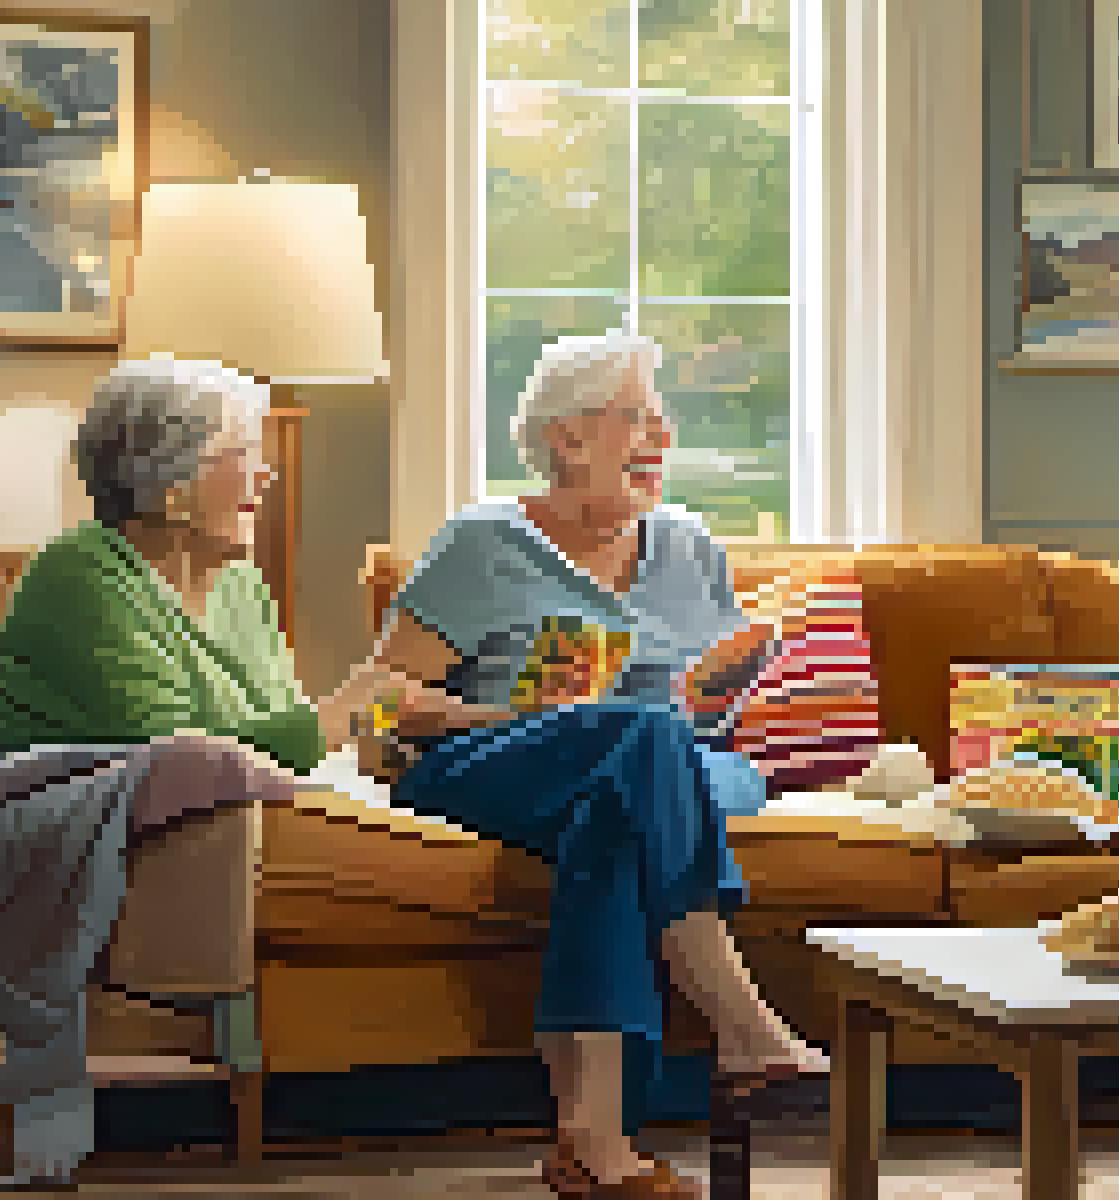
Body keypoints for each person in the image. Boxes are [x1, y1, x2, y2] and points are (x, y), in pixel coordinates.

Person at [327, 330, 823, 1198]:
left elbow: (710, 690)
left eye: (662, 420)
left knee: (636, 778)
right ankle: (737, 1019)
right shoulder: (482, 542)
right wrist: (517, 712)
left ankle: (593, 1142)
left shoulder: (687, 545)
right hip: (495, 763)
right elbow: (374, 703)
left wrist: (728, 686)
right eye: (640, 418)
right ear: (569, 436)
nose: (663, 438)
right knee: (634, 744)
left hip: (677, 767)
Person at [0, 356, 377, 1186]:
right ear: (172, 479)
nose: (264, 474)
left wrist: (353, 727)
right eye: (243, 454)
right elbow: (166, 746)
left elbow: (270, 734)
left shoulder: (241, 587)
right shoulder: (79, 575)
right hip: (115, 820)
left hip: (228, 822)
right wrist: (344, 710)